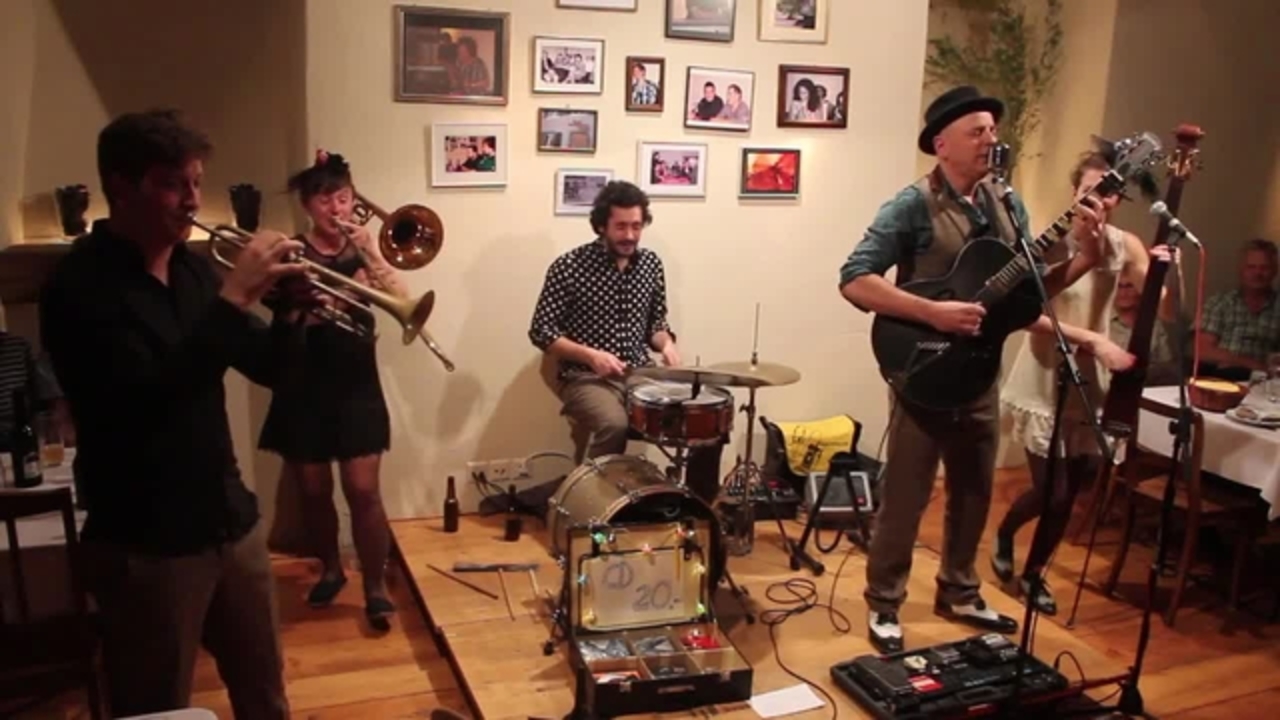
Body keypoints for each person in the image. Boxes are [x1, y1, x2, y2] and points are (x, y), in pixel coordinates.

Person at [39, 109, 305, 718]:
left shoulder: (192, 270)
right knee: (155, 709)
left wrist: (291, 313)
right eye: (171, 184)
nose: (190, 200)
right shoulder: (77, 287)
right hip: (147, 543)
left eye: (195, 182)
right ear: (121, 187)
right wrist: (235, 298)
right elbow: (148, 399)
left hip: (229, 521)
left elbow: (269, 367)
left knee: (267, 698)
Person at [838, 86, 1106, 653]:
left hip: (980, 373)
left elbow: (1028, 296)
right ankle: (884, 601)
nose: (990, 140)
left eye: (992, 130)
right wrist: (932, 312)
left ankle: (959, 590)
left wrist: (1085, 256)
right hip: (924, 370)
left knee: (975, 491)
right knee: (907, 496)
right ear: (942, 144)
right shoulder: (910, 206)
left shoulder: (1008, 205)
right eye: (977, 131)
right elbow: (855, 279)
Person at [995, 149, 1176, 616]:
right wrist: (1092, 339)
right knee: (1051, 492)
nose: (1097, 199)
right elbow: (1025, 315)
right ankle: (1005, 533)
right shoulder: (1050, 242)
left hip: (1088, 380)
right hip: (1043, 374)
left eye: (1108, 192)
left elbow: (1165, 310)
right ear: (1074, 191)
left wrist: (1162, 270)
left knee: (1069, 495)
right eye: (1089, 190)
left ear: (1117, 198)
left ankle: (1034, 573)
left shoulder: (1124, 244)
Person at [257, 150, 408, 631]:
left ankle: (375, 585)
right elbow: (278, 321)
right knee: (314, 490)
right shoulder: (289, 252)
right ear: (307, 204)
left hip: (356, 381)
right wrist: (310, 308)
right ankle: (330, 569)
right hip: (303, 382)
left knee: (363, 491)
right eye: (324, 199)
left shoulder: (364, 247)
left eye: (342, 197)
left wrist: (370, 255)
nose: (335, 208)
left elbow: (404, 302)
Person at [528, 180, 723, 503]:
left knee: (702, 417)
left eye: (636, 226)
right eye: (621, 226)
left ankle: (699, 506)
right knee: (614, 425)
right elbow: (541, 331)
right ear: (601, 225)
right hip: (584, 377)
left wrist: (667, 345)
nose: (630, 235)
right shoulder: (569, 267)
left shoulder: (650, 265)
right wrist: (592, 356)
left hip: (639, 374)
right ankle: (591, 507)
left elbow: (656, 325)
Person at [1196, 238, 1280, 378]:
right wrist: (1250, 363)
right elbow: (1202, 350)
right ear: (1241, 270)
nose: (1258, 273)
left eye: (1264, 268)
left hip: (1266, 380)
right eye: (1251, 267)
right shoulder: (1221, 303)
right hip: (1223, 376)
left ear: (1275, 271)